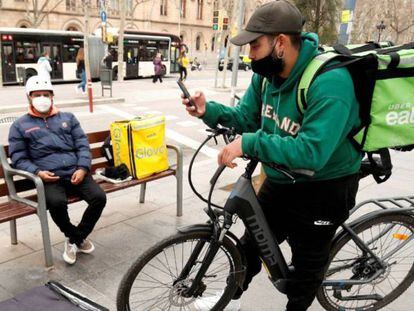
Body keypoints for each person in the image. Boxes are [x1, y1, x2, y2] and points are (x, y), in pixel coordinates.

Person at [182, 1, 361, 310]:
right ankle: (229, 297)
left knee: (306, 269)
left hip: (325, 187)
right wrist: (207, 111)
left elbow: (311, 151)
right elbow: (246, 117)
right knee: (251, 246)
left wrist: (248, 144)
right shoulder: (266, 76)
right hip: (281, 179)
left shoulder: (330, 82)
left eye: (255, 45)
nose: (250, 54)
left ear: (280, 42)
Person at [8, 76, 107, 265]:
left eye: (46, 94)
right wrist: (37, 172)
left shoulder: (68, 118)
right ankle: (76, 237)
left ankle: (75, 238)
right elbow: (19, 158)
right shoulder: (20, 125)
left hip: (75, 172)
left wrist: (82, 168)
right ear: (29, 97)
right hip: (49, 177)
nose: (42, 98)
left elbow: (82, 146)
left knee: (99, 198)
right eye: (37, 95)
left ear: (52, 96)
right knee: (56, 203)